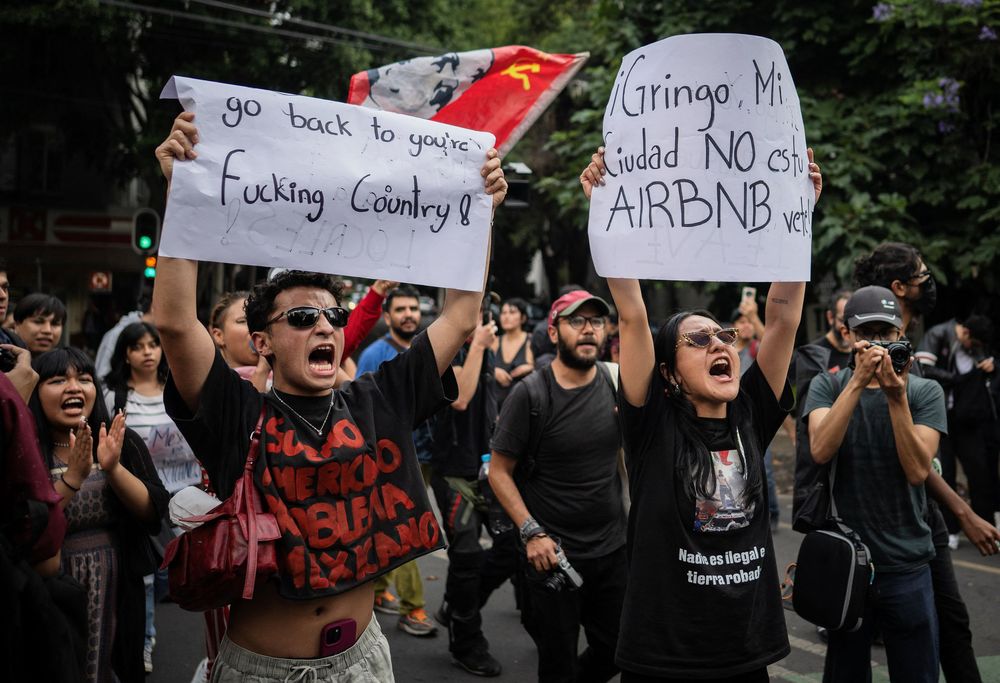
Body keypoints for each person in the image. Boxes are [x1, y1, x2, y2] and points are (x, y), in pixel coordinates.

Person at [154, 111, 506, 681]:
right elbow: (174, 323)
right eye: (301, 316)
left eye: (332, 315)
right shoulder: (235, 412)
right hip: (262, 670)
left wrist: (478, 214)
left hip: (364, 663)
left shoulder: (381, 398)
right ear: (262, 341)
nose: (324, 326)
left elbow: (462, 313)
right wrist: (181, 194)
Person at [579, 146, 821, 680]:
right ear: (667, 372)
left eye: (725, 336)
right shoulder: (650, 423)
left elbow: (781, 319)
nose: (721, 345)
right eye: (699, 339)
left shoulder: (750, 414)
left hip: (745, 651)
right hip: (664, 657)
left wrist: (795, 212)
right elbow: (633, 313)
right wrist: (606, 209)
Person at [853, 241, 999, 683]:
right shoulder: (861, 359)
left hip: (922, 513)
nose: (927, 281)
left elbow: (920, 460)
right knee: (859, 640)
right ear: (900, 288)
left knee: (950, 626)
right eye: (921, 275)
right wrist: (964, 511)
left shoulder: (910, 356)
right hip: (876, 518)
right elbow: (912, 464)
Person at [804, 286, 944, 681]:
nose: (880, 344)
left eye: (888, 333)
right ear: (848, 335)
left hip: (908, 564)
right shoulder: (827, 386)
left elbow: (918, 471)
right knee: (846, 672)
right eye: (870, 333)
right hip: (849, 565)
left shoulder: (923, 391)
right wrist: (857, 382)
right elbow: (820, 449)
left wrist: (896, 397)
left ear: (903, 335)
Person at [489, 289, 626, 682]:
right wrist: (532, 533)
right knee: (557, 663)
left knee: (618, 649)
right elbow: (499, 471)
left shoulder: (614, 382)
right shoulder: (530, 393)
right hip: (553, 556)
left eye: (596, 322)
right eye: (576, 321)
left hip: (613, 551)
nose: (588, 330)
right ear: (553, 332)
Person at [29, 347, 169, 683]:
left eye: (84, 379)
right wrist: (71, 480)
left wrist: (114, 468)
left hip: (114, 581)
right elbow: (24, 524)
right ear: (35, 392)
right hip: (48, 584)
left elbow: (153, 513)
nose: (74, 388)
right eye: (58, 380)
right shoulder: (27, 447)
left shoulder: (119, 440)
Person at [103, 320, 201, 673]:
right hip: (143, 500)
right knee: (144, 575)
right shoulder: (114, 397)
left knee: (178, 575)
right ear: (125, 354)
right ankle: (143, 640)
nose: (147, 352)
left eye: (152, 345)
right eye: (138, 346)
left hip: (187, 497)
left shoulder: (178, 388)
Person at [429, 297, 517, 677]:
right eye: (477, 309)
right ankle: (467, 642)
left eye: (486, 311)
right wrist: (479, 345)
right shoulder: (443, 347)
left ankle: (458, 605)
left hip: (488, 469)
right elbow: (460, 399)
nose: (483, 318)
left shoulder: (484, 349)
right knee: (465, 555)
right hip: (454, 472)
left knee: (512, 546)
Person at [356, 284, 437, 637]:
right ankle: (413, 607)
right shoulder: (374, 354)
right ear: (387, 316)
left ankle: (374, 590)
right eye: (400, 309)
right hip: (389, 459)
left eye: (413, 309)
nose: (408, 315)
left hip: (426, 454)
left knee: (391, 526)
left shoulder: (425, 350)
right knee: (408, 529)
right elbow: (359, 408)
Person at [917, 315, 997, 547]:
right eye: (975, 344)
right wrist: (956, 379)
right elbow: (923, 369)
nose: (975, 349)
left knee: (979, 471)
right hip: (939, 415)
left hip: (967, 418)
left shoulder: (974, 348)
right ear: (967, 334)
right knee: (945, 473)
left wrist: (989, 366)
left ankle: (985, 523)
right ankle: (950, 529)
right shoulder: (939, 334)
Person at [491, 297, 534, 409]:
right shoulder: (494, 341)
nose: (506, 316)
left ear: (523, 318)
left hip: (522, 406)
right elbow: (482, 368)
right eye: (503, 313)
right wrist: (493, 371)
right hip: (495, 406)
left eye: (512, 312)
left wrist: (529, 368)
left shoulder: (530, 341)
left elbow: (541, 368)